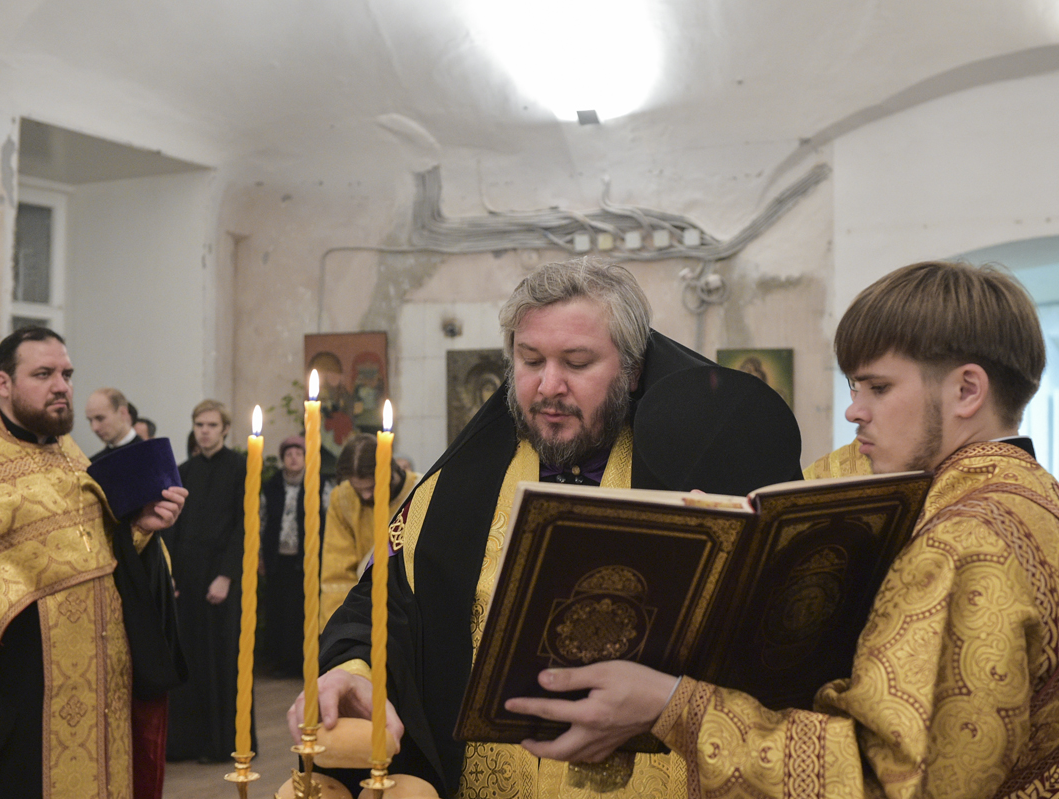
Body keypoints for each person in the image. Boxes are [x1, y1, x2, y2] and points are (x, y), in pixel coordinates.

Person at [504, 261, 1059, 798]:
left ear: (968, 390)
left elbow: (889, 780)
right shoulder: (1034, 494)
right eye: (854, 386)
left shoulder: (964, 541)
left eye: (878, 387)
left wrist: (673, 707)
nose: (854, 410)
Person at [290, 257, 803, 797]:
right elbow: (383, 608)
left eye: (577, 363)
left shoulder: (702, 481)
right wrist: (351, 672)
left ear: (632, 371)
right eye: (530, 360)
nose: (548, 386)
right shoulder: (454, 494)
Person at [0, 326, 187, 798]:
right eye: (43, 374)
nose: (61, 386)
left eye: (66, 374)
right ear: (3, 383)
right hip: (21, 706)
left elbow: (106, 555)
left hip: (105, 692)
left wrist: (142, 530)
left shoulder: (73, 459)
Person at [163, 399, 251, 763]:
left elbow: (245, 525)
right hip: (187, 573)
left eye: (212, 425)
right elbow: (171, 525)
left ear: (225, 429)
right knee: (189, 658)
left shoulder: (242, 467)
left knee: (221, 660)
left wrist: (226, 576)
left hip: (221, 573)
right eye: (199, 425)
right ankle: (188, 743)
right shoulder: (184, 470)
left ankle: (223, 743)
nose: (204, 431)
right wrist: (169, 574)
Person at [318, 433, 420, 628]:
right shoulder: (343, 498)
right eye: (358, 488)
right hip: (361, 612)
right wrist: (340, 630)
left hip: (409, 612)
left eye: (372, 487)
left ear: (389, 471)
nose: (365, 495)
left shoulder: (420, 492)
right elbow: (337, 573)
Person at [261, 435, 327, 678]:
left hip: (307, 559)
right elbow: (262, 520)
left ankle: (304, 662)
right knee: (278, 611)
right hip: (278, 559)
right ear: (282, 458)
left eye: (299, 453)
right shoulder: (272, 486)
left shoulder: (318, 483)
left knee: (302, 611)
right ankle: (281, 661)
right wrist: (259, 556)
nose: (294, 458)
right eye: (289, 454)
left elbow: (328, 518)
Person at [85, 386, 141, 462]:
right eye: (90, 420)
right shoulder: (94, 463)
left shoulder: (150, 455)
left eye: (100, 418)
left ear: (122, 413)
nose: (94, 428)